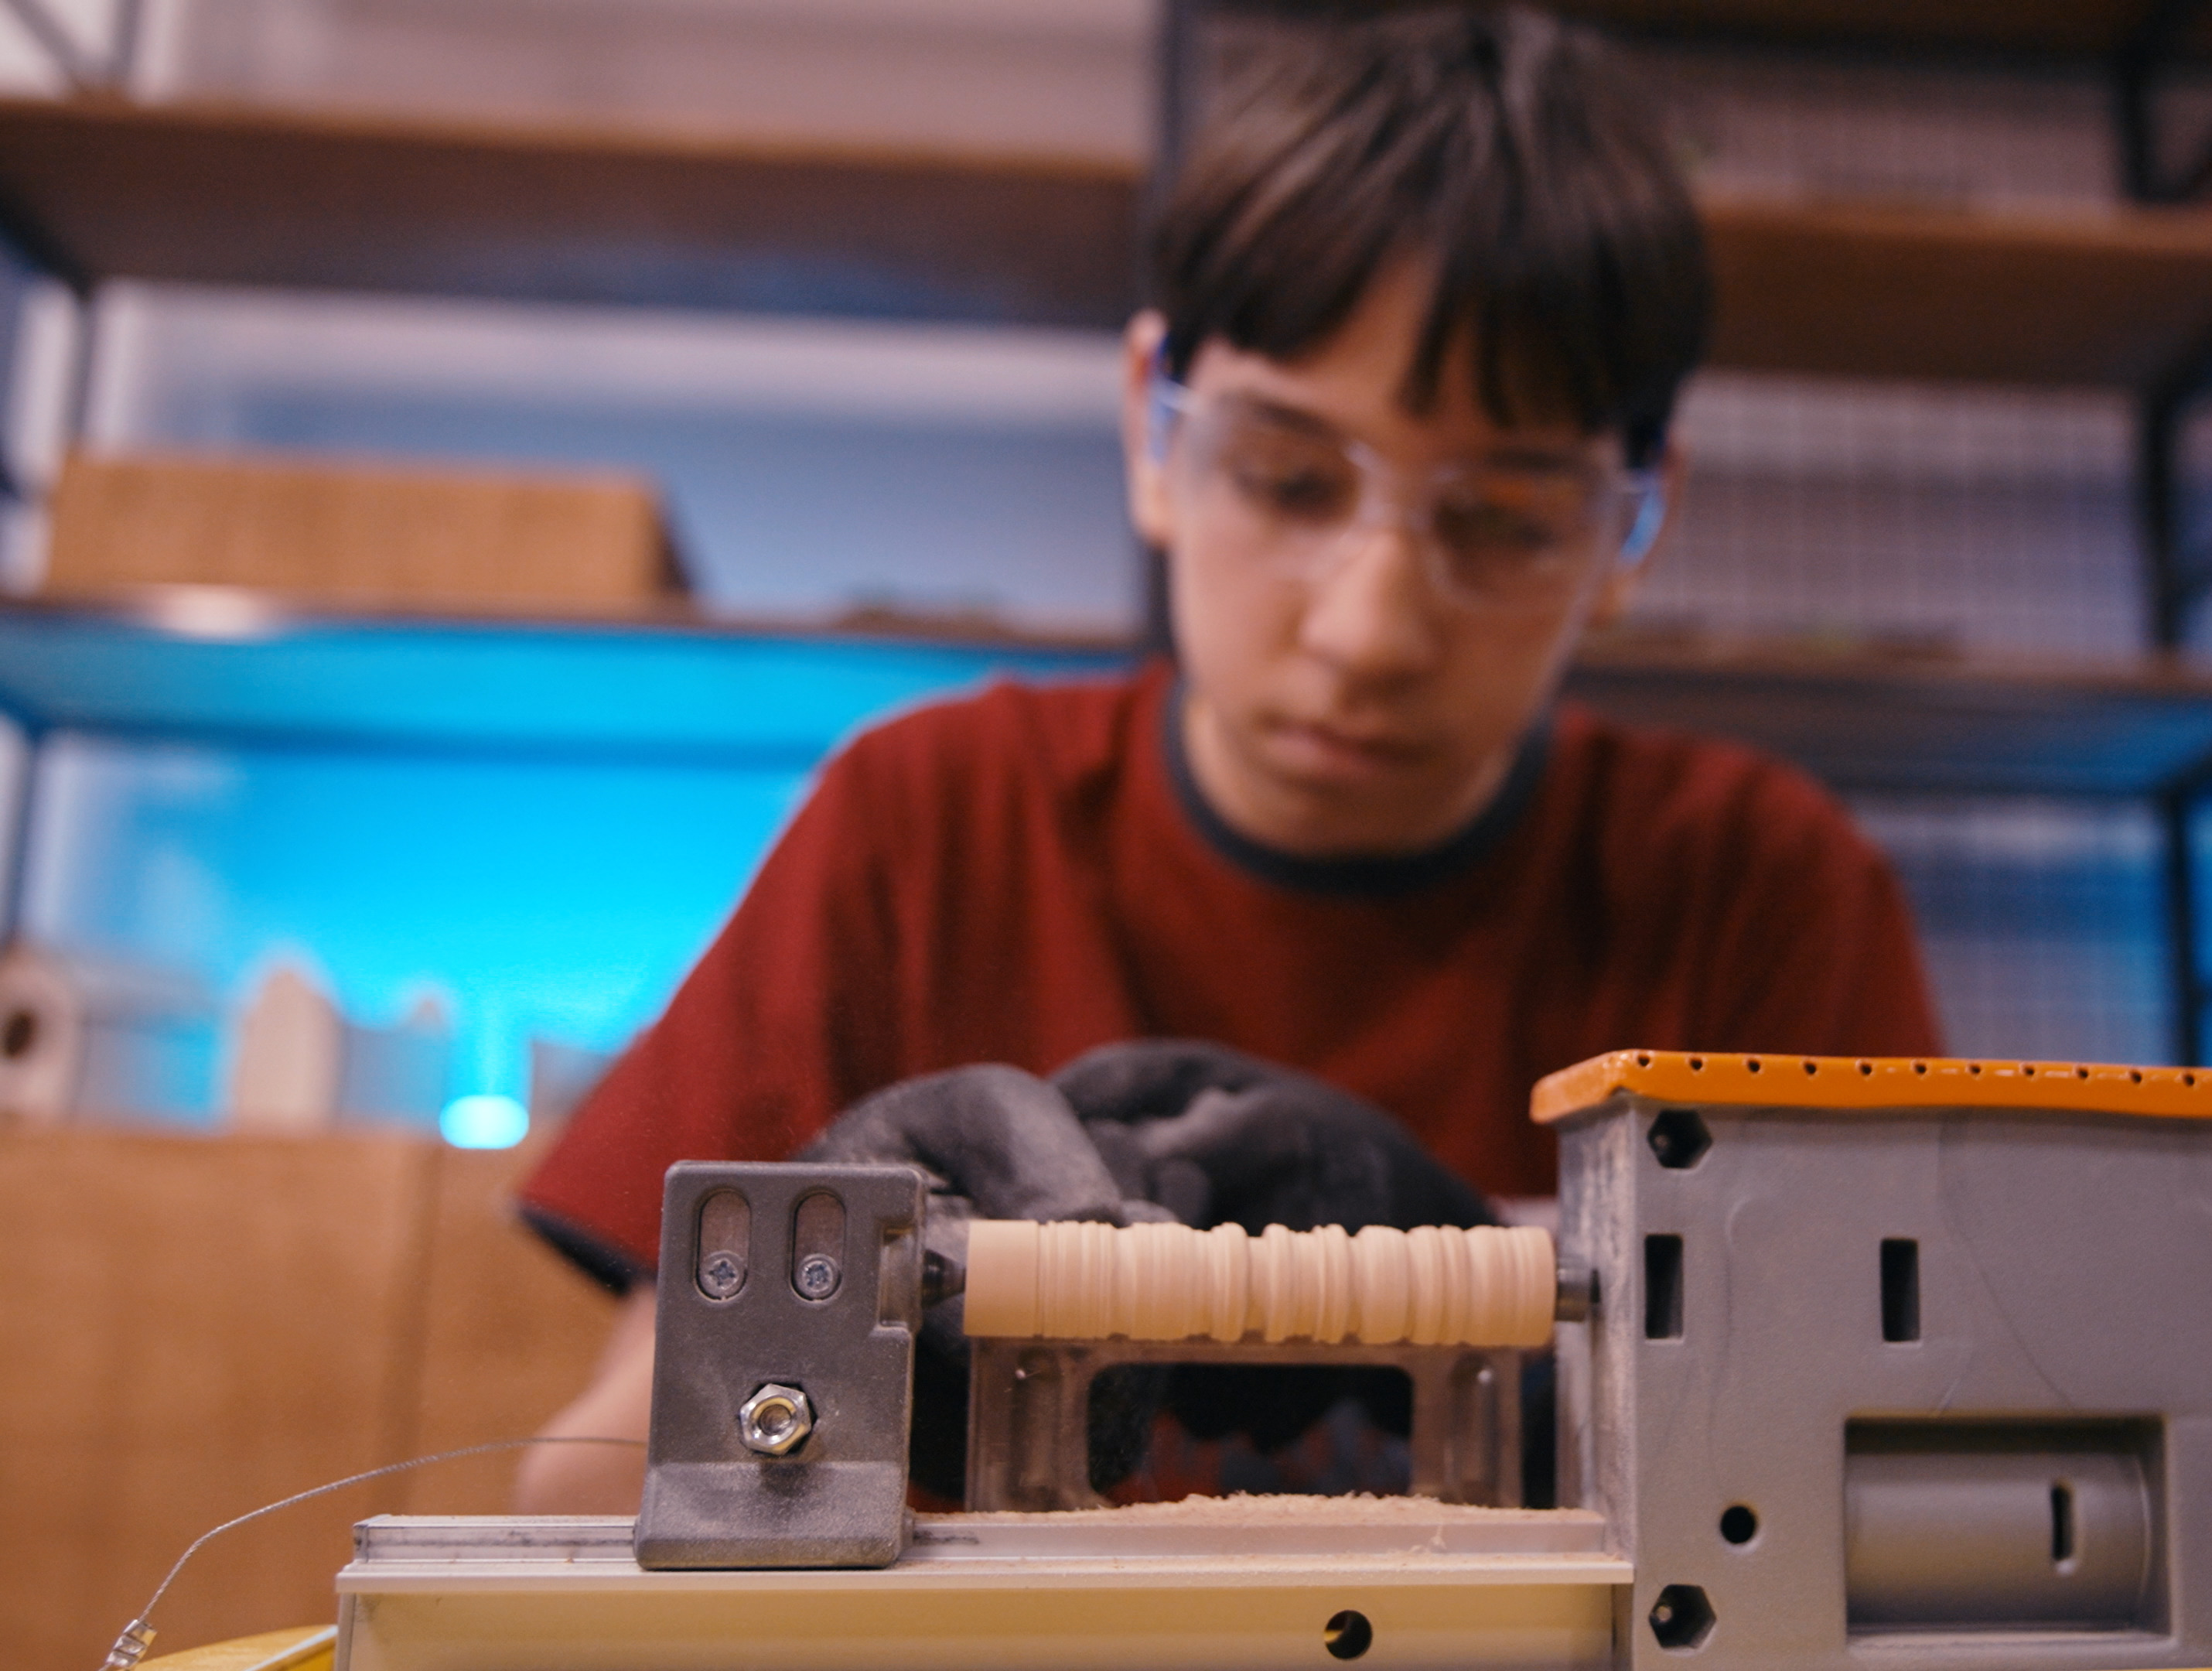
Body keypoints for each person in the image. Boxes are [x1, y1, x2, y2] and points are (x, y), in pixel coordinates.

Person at [512, 4, 1941, 1513]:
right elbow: (568, 1504)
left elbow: (1916, 1501)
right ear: (1154, 428)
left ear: (1635, 524)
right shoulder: (925, 823)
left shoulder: (1756, 887)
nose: (1370, 629)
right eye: (1287, 478)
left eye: (1506, 521)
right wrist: (806, 1352)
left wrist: (1526, 1352)